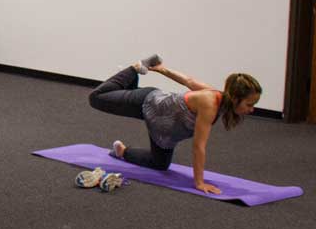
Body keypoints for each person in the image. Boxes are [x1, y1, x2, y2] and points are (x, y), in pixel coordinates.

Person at [88, 55, 262, 194]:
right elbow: (199, 146)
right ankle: (133, 70)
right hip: (147, 103)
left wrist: (162, 69)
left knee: (159, 164)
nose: (252, 109)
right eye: (249, 104)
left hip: (162, 128)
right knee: (96, 98)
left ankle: (122, 151)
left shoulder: (220, 100)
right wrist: (199, 182)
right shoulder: (209, 103)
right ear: (235, 98)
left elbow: (189, 81)